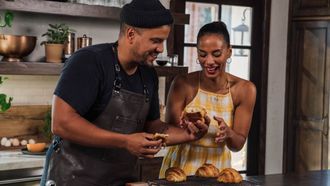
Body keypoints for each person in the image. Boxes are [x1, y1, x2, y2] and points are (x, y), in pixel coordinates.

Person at [42, 0, 209, 185]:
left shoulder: (148, 74)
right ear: (131, 34)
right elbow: (61, 123)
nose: (161, 49)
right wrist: (125, 141)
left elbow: (154, 127)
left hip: (121, 181)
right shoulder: (89, 61)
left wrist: (189, 135)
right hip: (73, 180)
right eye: (156, 40)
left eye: (164, 41)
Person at [159, 21, 256, 177]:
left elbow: (238, 145)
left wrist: (229, 133)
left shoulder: (245, 90)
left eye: (216, 54)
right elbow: (167, 134)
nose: (209, 61)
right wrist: (184, 129)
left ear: (229, 52)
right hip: (180, 168)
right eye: (202, 54)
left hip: (217, 171)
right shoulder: (182, 83)